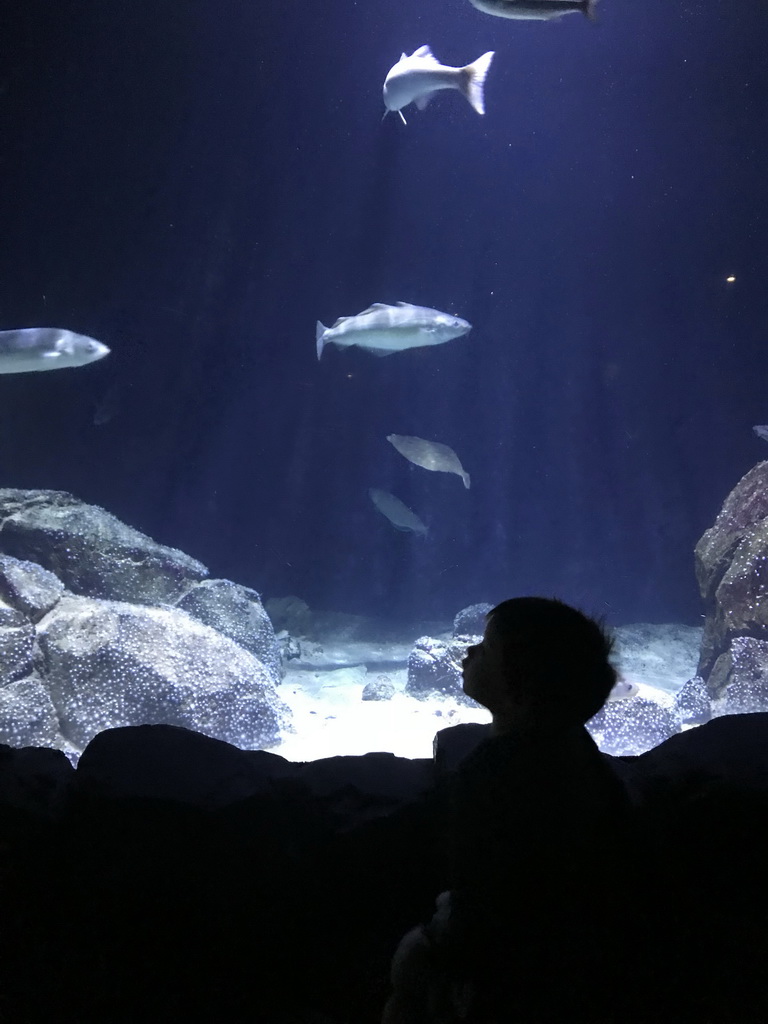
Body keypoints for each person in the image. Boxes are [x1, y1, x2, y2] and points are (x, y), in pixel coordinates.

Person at [382, 597, 640, 1024]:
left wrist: (432, 946)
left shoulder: (492, 774)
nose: (469, 652)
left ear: (520, 688)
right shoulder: (576, 752)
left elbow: (481, 894)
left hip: (501, 982)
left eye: (485, 648)